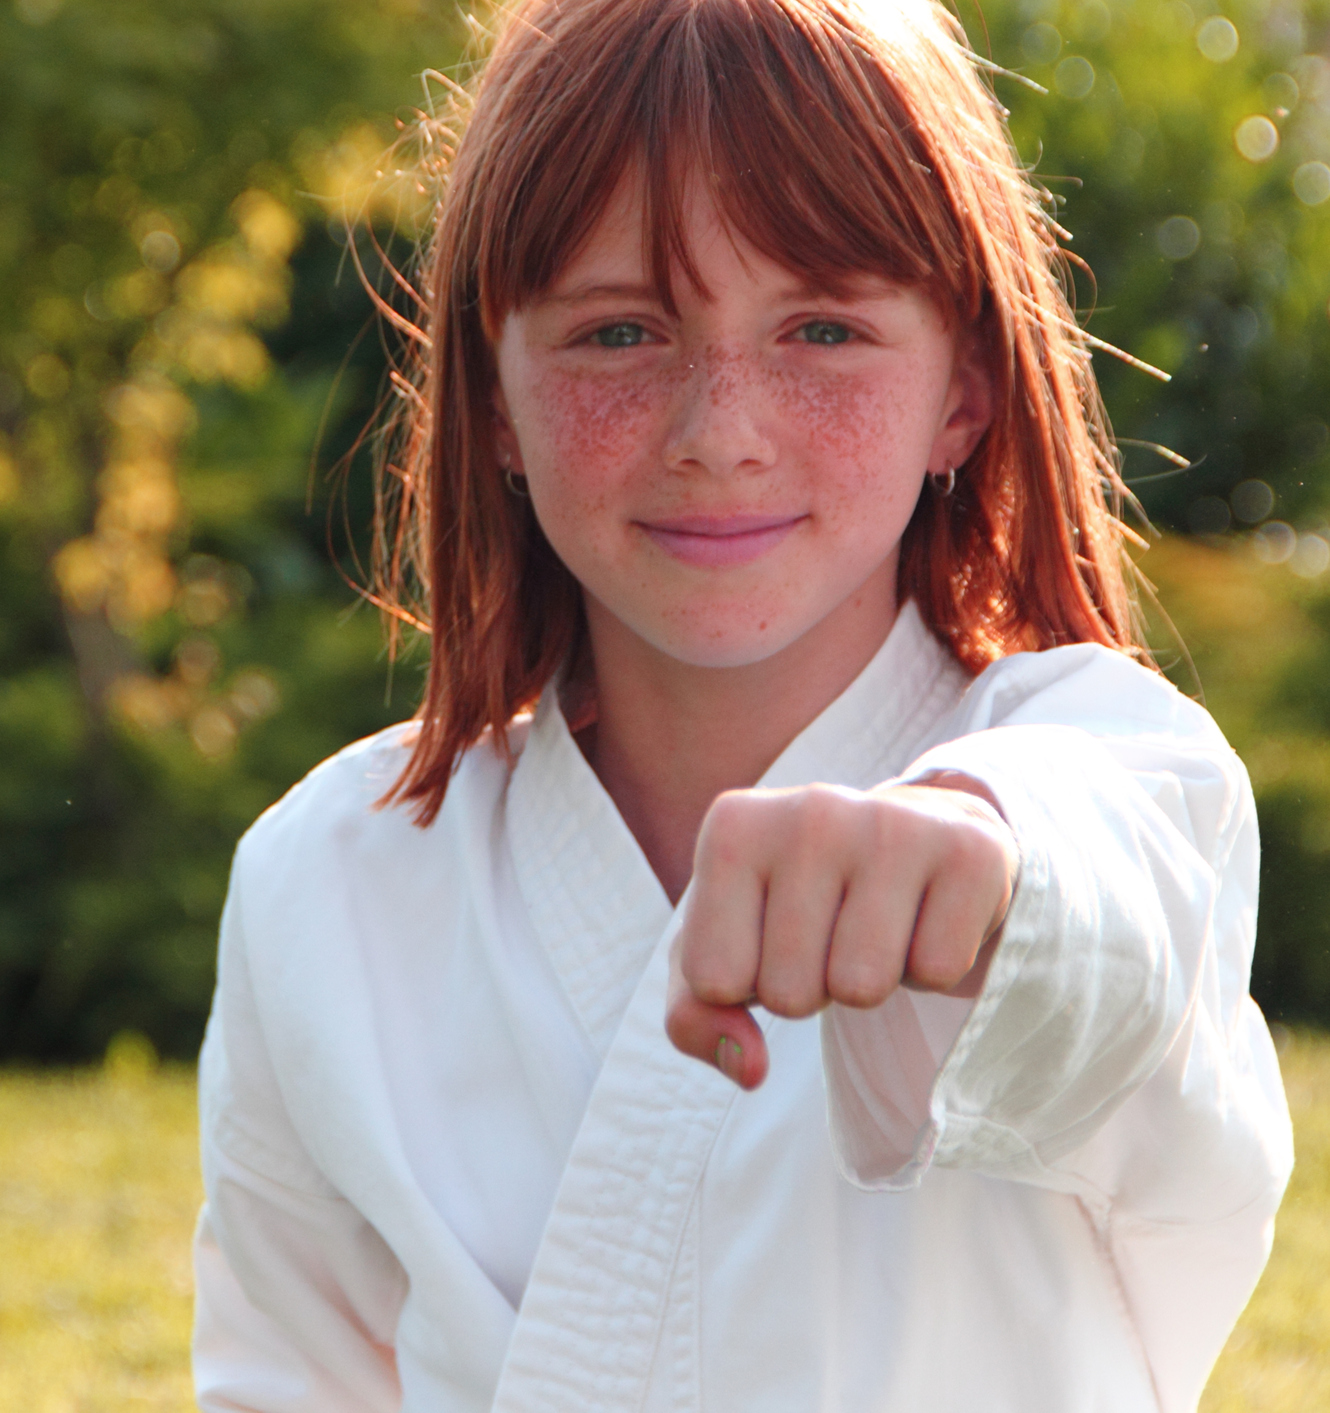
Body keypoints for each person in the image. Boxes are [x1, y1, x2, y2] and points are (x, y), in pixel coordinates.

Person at [190, 0, 1296, 1408]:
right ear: (490, 392)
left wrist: (973, 860)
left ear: (961, 389)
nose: (719, 430)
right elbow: (287, 1378)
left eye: (822, 327)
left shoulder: (1101, 763)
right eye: (615, 334)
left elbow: (1112, 928)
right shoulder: (325, 876)